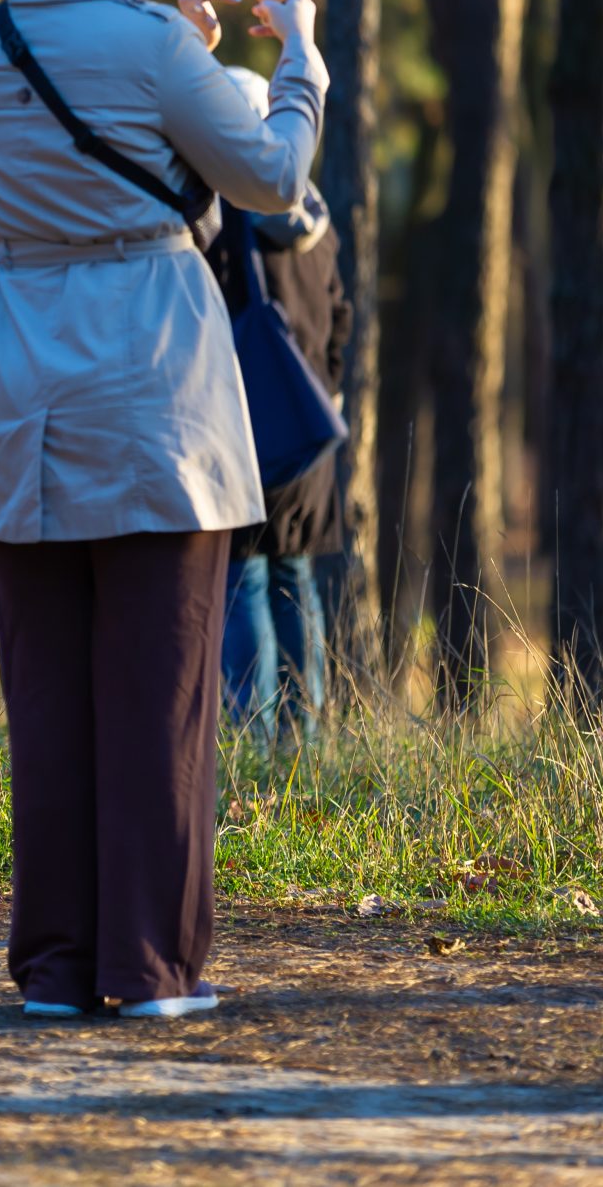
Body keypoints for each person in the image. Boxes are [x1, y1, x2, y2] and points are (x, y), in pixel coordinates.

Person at [0, 0, 325, 1020]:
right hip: (148, 380)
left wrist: (183, 50)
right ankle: (149, 968)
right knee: (160, 694)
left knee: (47, 698)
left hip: (19, 376)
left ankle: (55, 965)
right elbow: (267, 175)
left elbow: (84, 129)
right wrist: (298, 54)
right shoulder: (154, 40)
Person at [212, 75, 350, 738]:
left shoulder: (226, 218)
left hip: (244, 435)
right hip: (309, 436)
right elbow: (341, 318)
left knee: (244, 588)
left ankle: (252, 743)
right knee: (297, 582)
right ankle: (309, 743)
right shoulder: (317, 220)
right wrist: (329, 390)